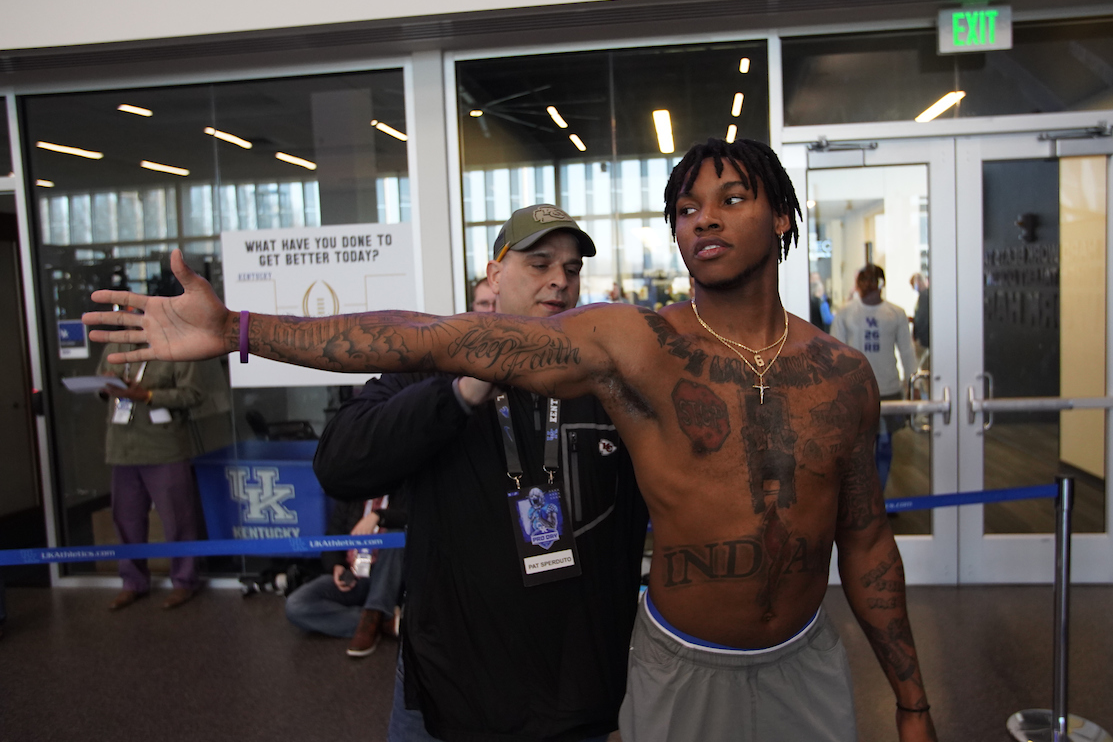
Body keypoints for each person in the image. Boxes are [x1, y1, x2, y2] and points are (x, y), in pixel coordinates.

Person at [85, 138, 937, 742]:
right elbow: (418, 341)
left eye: (730, 200)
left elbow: (864, 541)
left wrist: (911, 700)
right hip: (588, 674)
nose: (703, 220)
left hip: (731, 668)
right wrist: (240, 327)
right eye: (685, 209)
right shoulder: (632, 348)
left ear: (784, 220)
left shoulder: (838, 377)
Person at [313, 205, 648, 741]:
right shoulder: (436, 363)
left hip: (575, 694)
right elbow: (339, 463)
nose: (560, 279)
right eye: (540, 264)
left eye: (572, 268)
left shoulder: (607, 379)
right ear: (495, 275)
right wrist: (462, 391)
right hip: (451, 691)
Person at [97, 341, 225, 610]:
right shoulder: (113, 349)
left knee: (177, 518)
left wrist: (148, 395)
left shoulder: (174, 349)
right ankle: (132, 582)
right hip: (123, 447)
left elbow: (193, 394)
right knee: (126, 519)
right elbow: (101, 387)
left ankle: (184, 581)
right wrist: (104, 386)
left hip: (163, 446)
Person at [830, 265, 919, 491]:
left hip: (887, 388)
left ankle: (878, 494)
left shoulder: (895, 313)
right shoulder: (847, 313)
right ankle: (861, 496)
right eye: (866, 281)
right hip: (855, 390)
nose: (870, 286)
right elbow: (834, 353)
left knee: (884, 444)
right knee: (859, 446)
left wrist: (914, 383)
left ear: (881, 283)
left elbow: (907, 351)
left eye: (873, 281)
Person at [284, 491, 406, 658]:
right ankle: (380, 622)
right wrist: (337, 565)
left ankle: (374, 614)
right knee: (296, 605)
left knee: (396, 534)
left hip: (388, 579)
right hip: (354, 575)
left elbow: (413, 519)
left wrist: (379, 516)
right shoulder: (350, 497)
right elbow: (332, 538)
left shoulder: (405, 492)